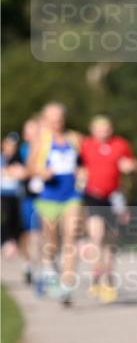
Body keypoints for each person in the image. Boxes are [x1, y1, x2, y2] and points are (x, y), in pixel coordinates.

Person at [80, 115, 137, 303]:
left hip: (114, 196)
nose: (104, 131)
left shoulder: (120, 144)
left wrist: (130, 167)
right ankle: (98, 274)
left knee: (111, 241)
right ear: (92, 130)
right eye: (99, 128)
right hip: (93, 195)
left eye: (107, 128)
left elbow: (135, 165)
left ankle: (106, 277)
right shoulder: (85, 145)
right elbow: (76, 165)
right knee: (97, 236)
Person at [28, 102, 83, 306]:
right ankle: (49, 267)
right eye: (52, 120)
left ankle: (67, 286)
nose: (56, 123)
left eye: (59, 119)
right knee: (51, 243)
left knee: (71, 238)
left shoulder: (75, 138)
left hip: (71, 196)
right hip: (49, 198)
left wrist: (83, 171)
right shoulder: (41, 140)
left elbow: (83, 162)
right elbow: (30, 167)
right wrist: (41, 172)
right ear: (46, 120)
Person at [18, 116, 43, 284]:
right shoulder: (21, 150)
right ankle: (28, 263)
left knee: (41, 232)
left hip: (44, 197)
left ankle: (44, 265)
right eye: (28, 130)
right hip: (27, 197)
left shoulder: (47, 147)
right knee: (27, 233)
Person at [1, 132, 25, 256]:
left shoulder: (19, 157)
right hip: (2, 194)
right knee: (5, 218)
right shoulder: (2, 158)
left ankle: (13, 241)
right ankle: (5, 241)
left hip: (15, 194)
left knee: (14, 218)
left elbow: (20, 172)